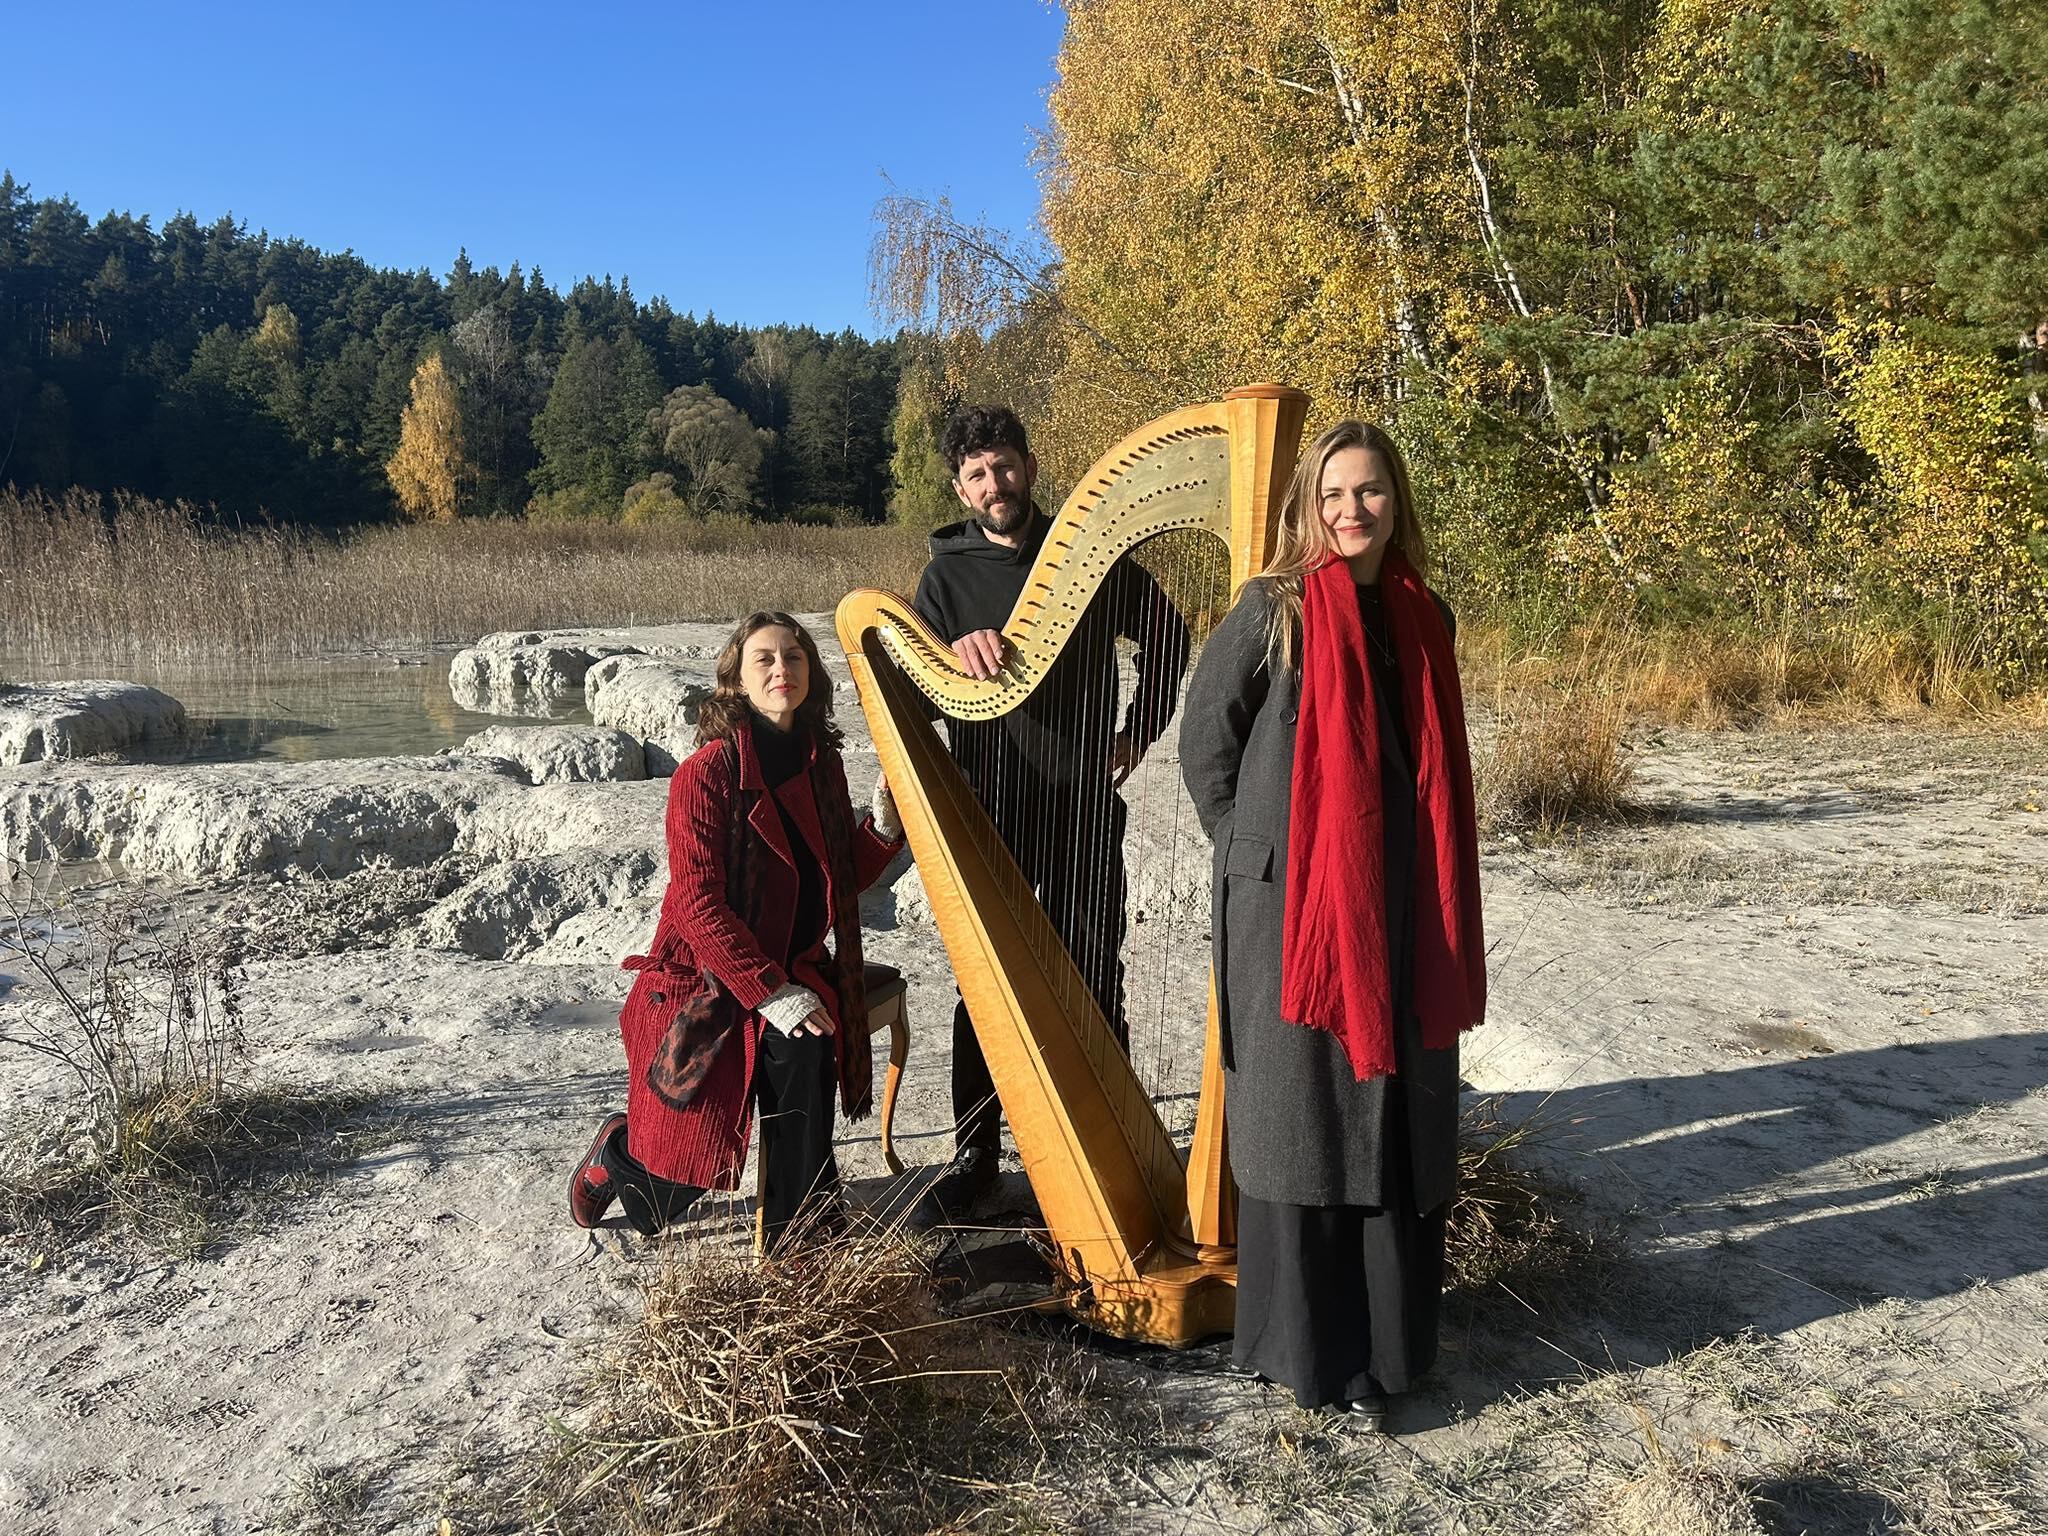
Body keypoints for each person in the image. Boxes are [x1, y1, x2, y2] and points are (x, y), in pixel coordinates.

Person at [1179, 420, 1485, 1431]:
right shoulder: (1270, 611)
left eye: (1369, 493)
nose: (1351, 512)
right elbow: (1203, 744)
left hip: (1403, 909)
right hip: (1290, 913)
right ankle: (1302, 1352)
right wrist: (1256, 851)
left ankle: (1389, 1354)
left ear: (1396, 503)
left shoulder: (1422, 612)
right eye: (1334, 495)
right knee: (1301, 1116)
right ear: (1306, 507)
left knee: (1393, 1108)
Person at [910, 404, 1191, 1220]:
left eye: (1004, 466)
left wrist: (1137, 735)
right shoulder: (947, 578)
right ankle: (975, 1160)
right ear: (959, 488)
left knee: (1098, 974)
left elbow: (1168, 640)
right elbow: (912, 694)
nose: (994, 484)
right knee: (985, 987)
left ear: (1029, 466)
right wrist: (950, 654)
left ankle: (1117, 1148)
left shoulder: (1085, 555)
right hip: (987, 812)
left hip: (1082, 807)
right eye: (976, 475)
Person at [567, 611, 903, 1250]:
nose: (783, 670)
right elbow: (697, 904)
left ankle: (798, 1235)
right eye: (765, 660)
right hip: (706, 982)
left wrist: (882, 829)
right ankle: (618, 1154)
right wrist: (770, 992)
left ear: (812, 674)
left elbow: (831, 881)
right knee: (666, 1196)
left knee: (805, 1049)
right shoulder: (707, 774)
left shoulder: (821, 765)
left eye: (795, 658)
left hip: (792, 967)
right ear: (737, 681)